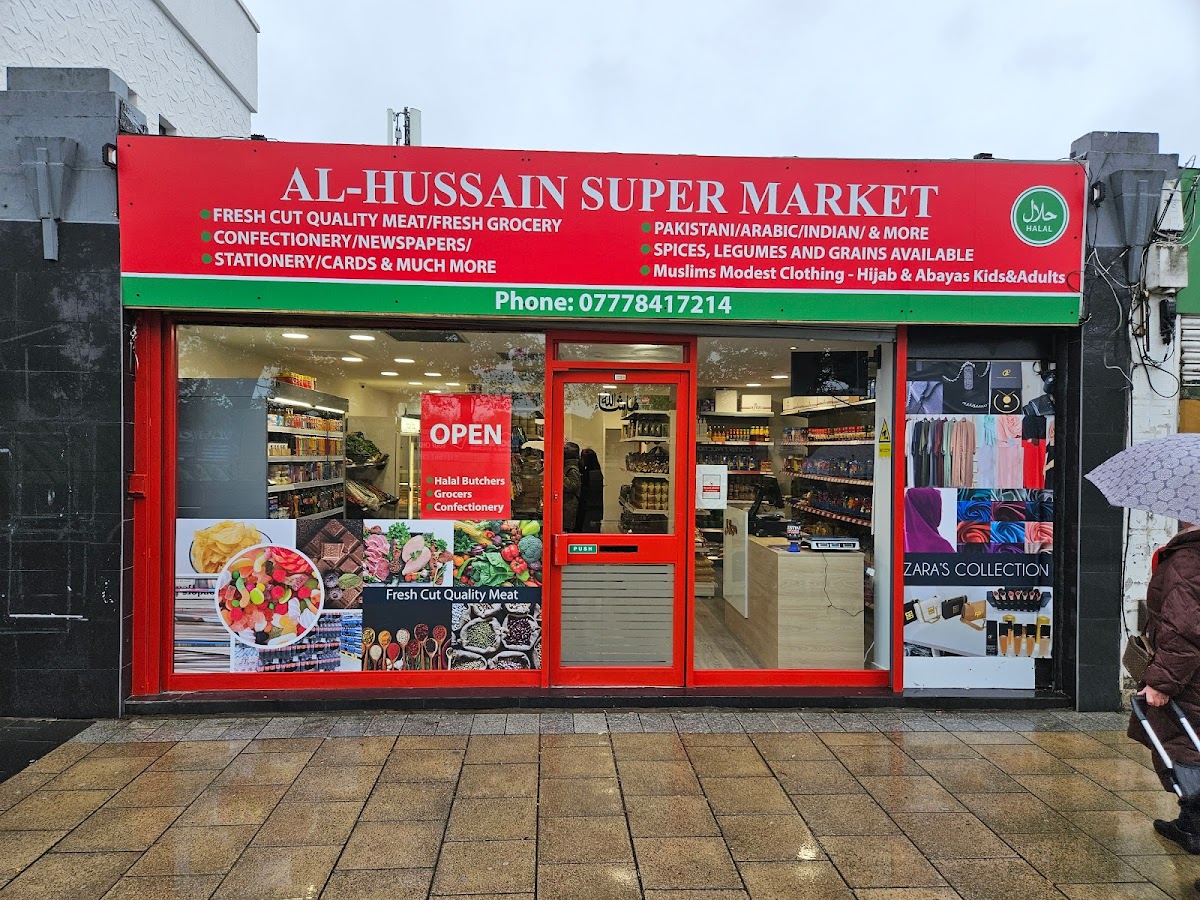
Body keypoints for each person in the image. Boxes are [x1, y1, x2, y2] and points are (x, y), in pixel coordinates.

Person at [1128, 521, 1200, 853]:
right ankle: (1189, 822)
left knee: (1187, 748)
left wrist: (1161, 683)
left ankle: (1195, 828)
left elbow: (1183, 630)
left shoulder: (1189, 558)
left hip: (1190, 678)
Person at [577, 447, 605, 532]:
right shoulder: (596, 471)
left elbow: (586, 490)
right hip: (595, 507)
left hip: (590, 508)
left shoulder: (590, 474)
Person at [562, 442, 581, 533]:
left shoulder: (572, 468)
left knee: (566, 529)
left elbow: (573, 486)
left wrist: (561, 476)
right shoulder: (568, 466)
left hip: (569, 505)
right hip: (567, 504)